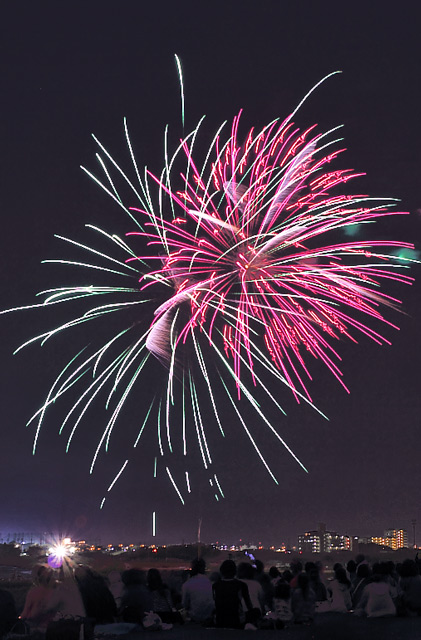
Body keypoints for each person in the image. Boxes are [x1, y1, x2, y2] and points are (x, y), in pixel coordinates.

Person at [212, 560, 253, 629]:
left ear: (221, 571)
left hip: (220, 619)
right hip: (236, 619)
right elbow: (248, 604)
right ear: (235, 571)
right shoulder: (241, 585)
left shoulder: (216, 585)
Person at [21, 565, 58, 631]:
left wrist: (18, 619)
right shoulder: (55, 592)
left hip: (35, 627)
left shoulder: (33, 592)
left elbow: (25, 612)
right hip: (51, 627)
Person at [181, 558, 214, 624]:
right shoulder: (210, 582)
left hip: (194, 617)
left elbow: (184, 604)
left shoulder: (187, 584)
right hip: (209, 616)